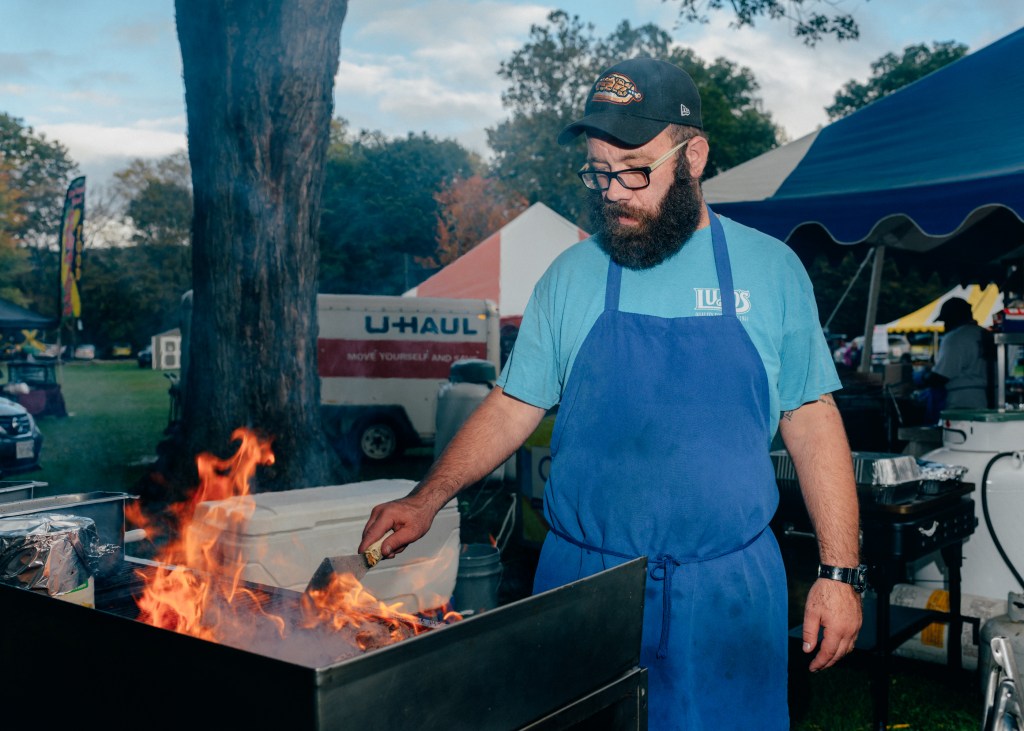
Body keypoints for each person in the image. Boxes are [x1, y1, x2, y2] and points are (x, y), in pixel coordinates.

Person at [359, 57, 863, 730]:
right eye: (598, 171)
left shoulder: (771, 272)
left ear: (694, 157)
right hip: (582, 587)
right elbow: (514, 404)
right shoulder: (570, 277)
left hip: (726, 591)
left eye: (634, 169)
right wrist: (427, 496)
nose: (613, 191)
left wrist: (839, 571)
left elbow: (811, 417)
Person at [924, 296, 992, 411]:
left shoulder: (955, 337)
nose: (944, 325)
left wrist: (923, 377)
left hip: (964, 400)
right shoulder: (985, 333)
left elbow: (941, 376)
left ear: (954, 317)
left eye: (946, 321)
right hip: (991, 396)